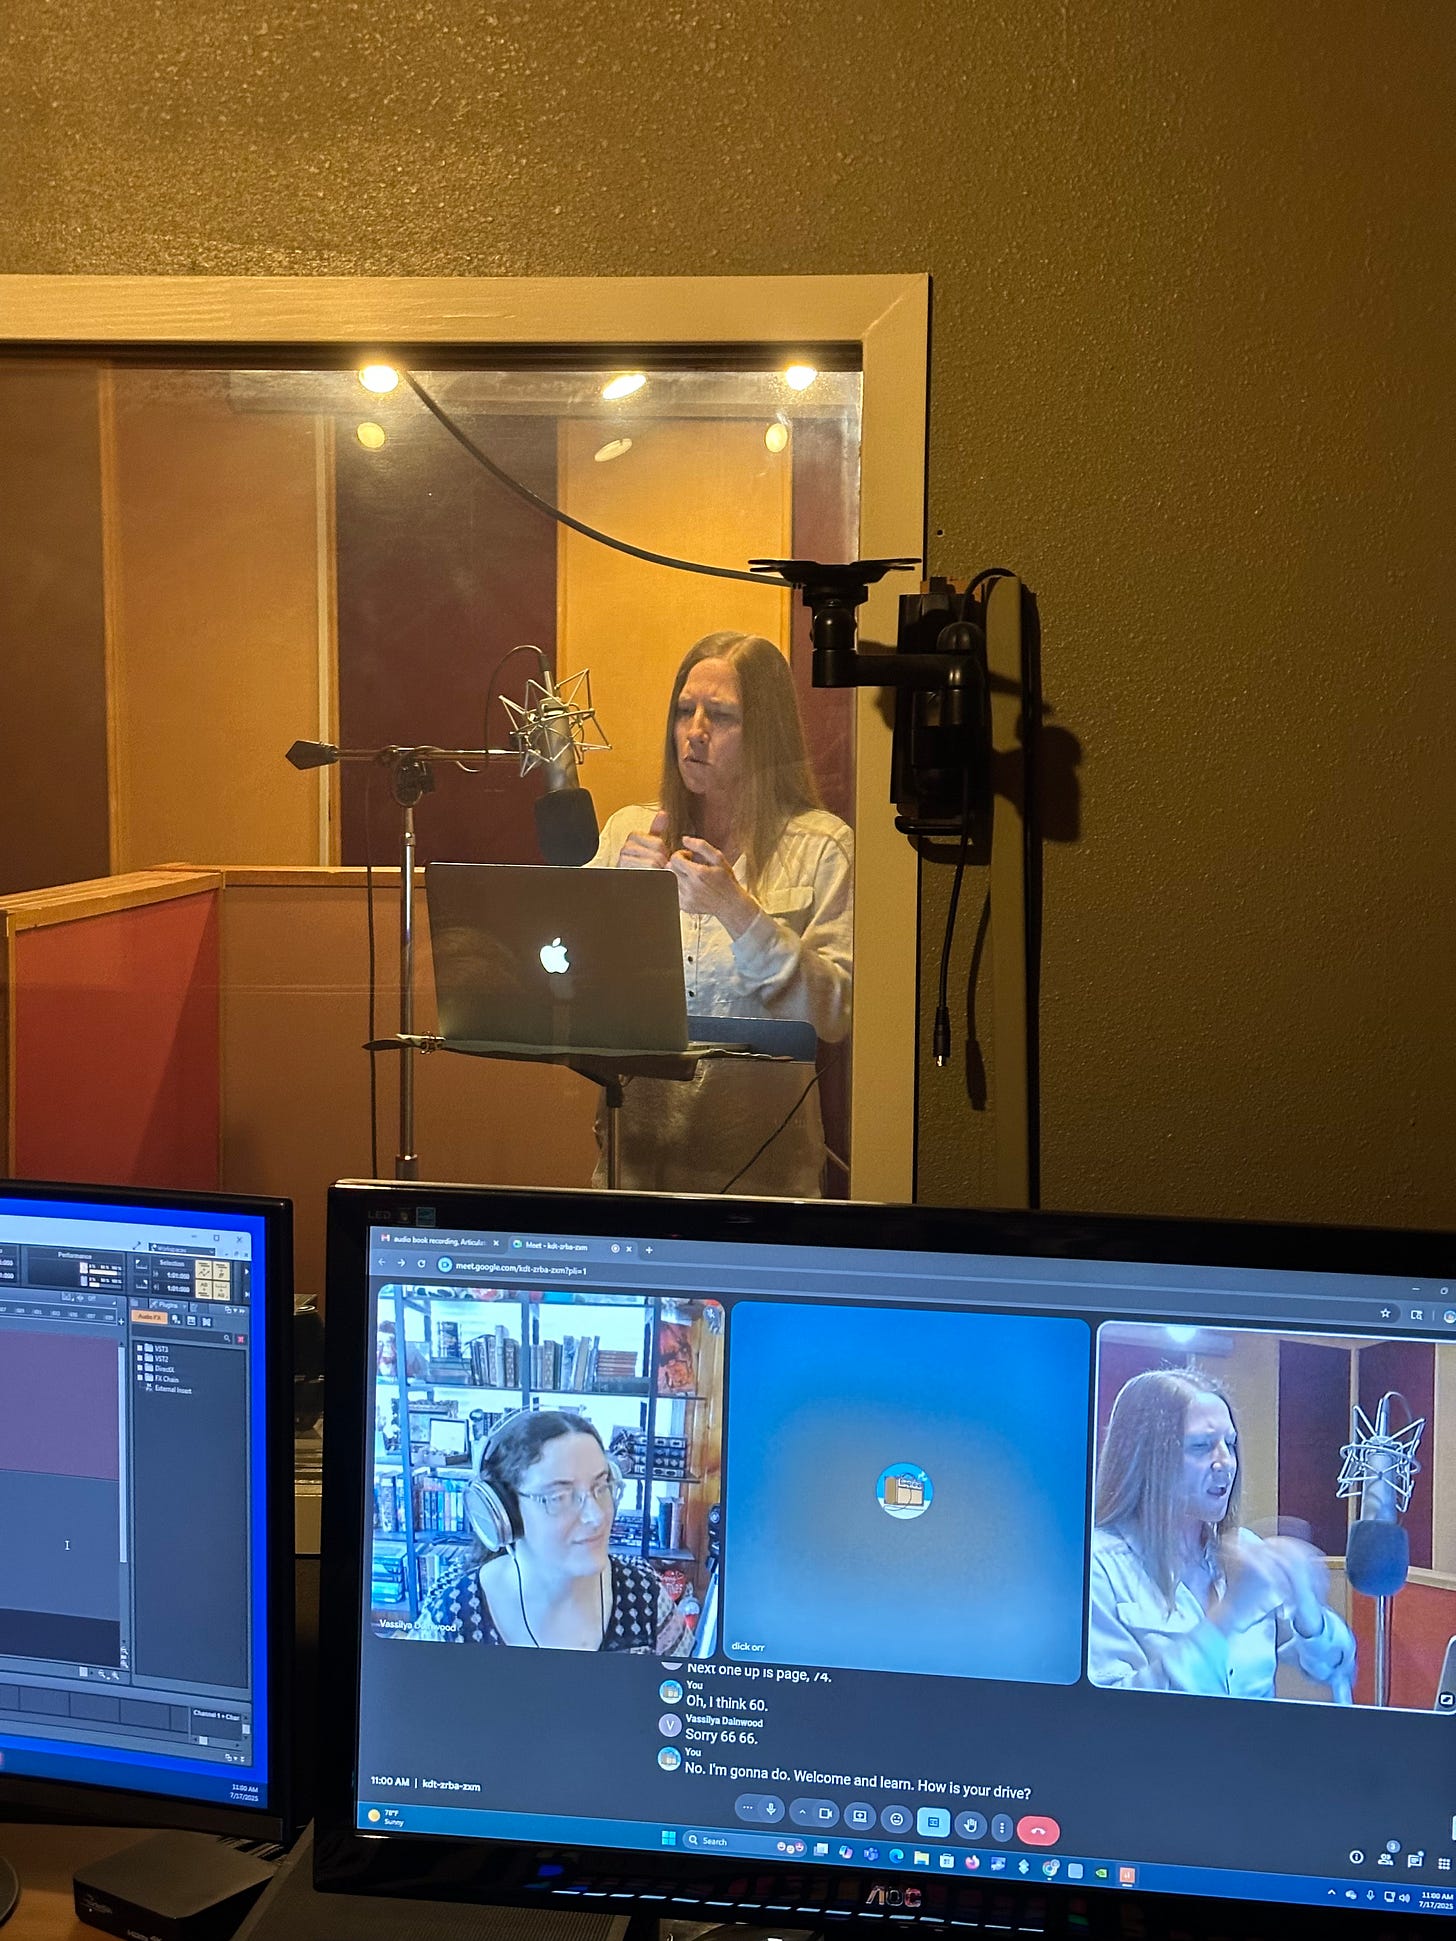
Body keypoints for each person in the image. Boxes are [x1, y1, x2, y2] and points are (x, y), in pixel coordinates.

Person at [588, 630, 852, 1195]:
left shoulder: (821, 846)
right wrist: (618, 908)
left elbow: (834, 1012)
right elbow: (561, 993)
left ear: (765, 733)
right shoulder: (625, 834)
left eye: (722, 716)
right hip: (634, 1176)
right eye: (685, 711)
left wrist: (739, 913)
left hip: (765, 1186)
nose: (695, 732)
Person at [1087, 1368, 1356, 1700]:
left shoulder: (1246, 1550)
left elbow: (1334, 1668)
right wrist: (1229, 1614)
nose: (1226, 1462)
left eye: (1229, 1444)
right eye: (1201, 1446)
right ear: (1146, 1459)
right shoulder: (1098, 1570)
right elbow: (1111, 1713)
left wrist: (1308, 1611)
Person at [410, 1410, 691, 1653]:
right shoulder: (454, 1616)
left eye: (601, 1486)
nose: (596, 1516)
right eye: (558, 1496)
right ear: (503, 1513)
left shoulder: (644, 1596)